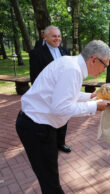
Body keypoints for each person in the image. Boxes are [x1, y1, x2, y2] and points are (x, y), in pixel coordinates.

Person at [16, 40, 110, 194]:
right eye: (106, 65)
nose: (104, 70)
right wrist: (94, 106)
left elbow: (66, 95)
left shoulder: (71, 64)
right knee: (48, 177)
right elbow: (60, 107)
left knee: (50, 174)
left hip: (38, 124)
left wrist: (91, 96)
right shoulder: (72, 70)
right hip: (37, 126)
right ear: (94, 59)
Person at [29, 25, 71, 153]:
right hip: (47, 93)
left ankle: (61, 143)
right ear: (45, 37)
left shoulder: (65, 51)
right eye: (54, 36)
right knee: (49, 119)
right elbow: (35, 76)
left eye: (59, 36)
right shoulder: (37, 53)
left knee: (64, 116)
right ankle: (49, 144)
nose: (57, 39)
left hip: (64, 92)